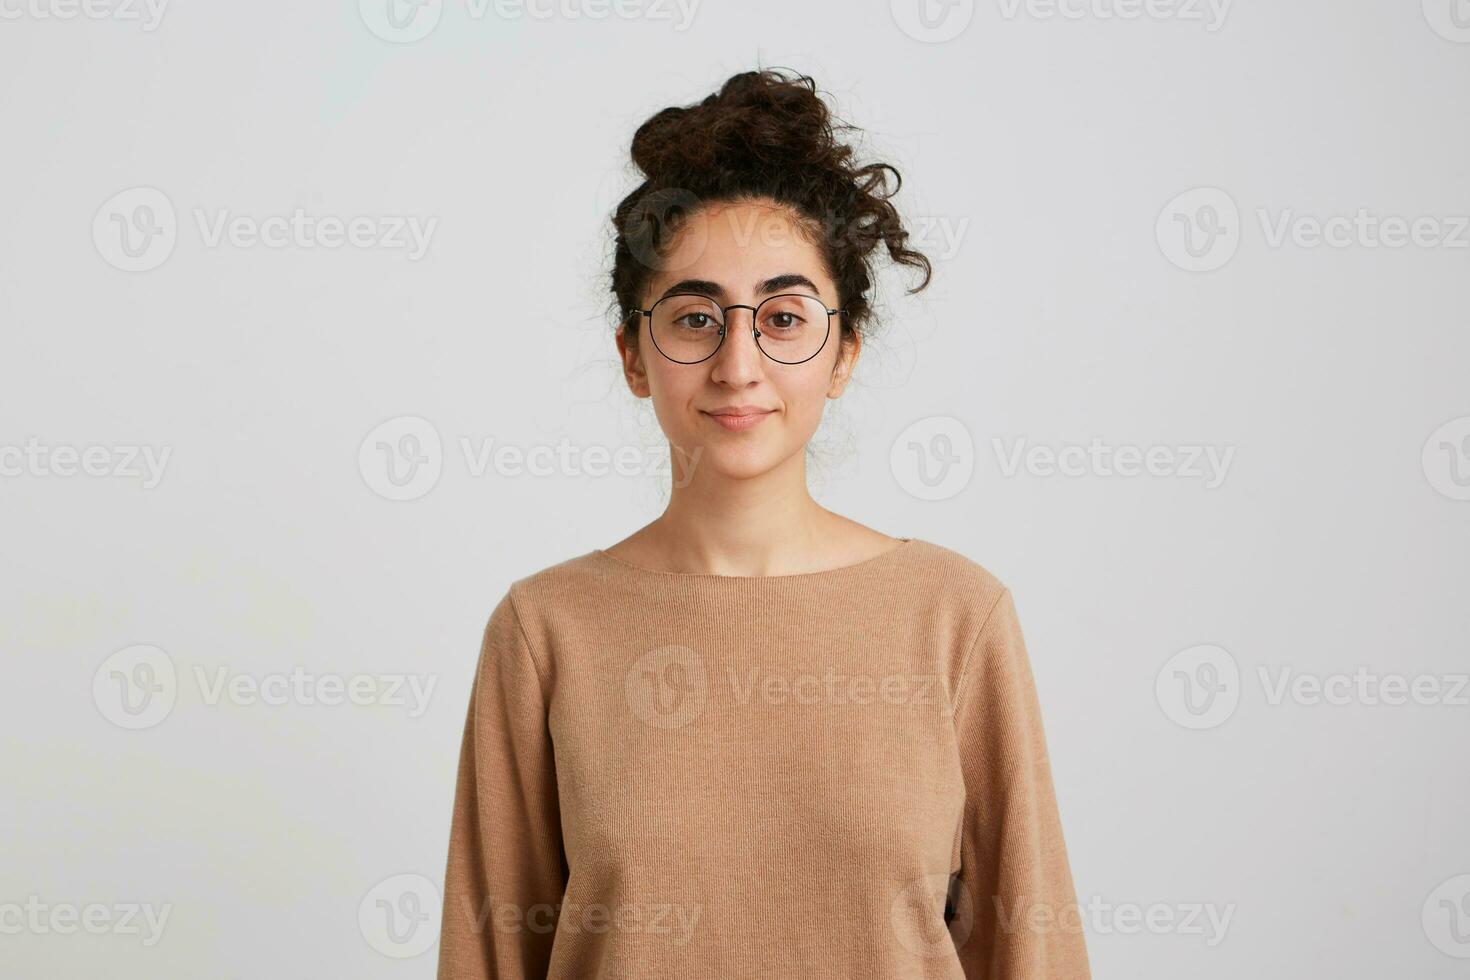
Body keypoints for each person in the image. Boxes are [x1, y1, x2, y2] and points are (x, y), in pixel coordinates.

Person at [436, 67, 1091, 979]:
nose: (739, 363)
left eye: (783, 317)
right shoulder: (545, 631)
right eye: (696, 318)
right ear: (633, 354)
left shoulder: (955, 617)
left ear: (844, 353)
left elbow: (1033, 953)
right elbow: (490, 958)